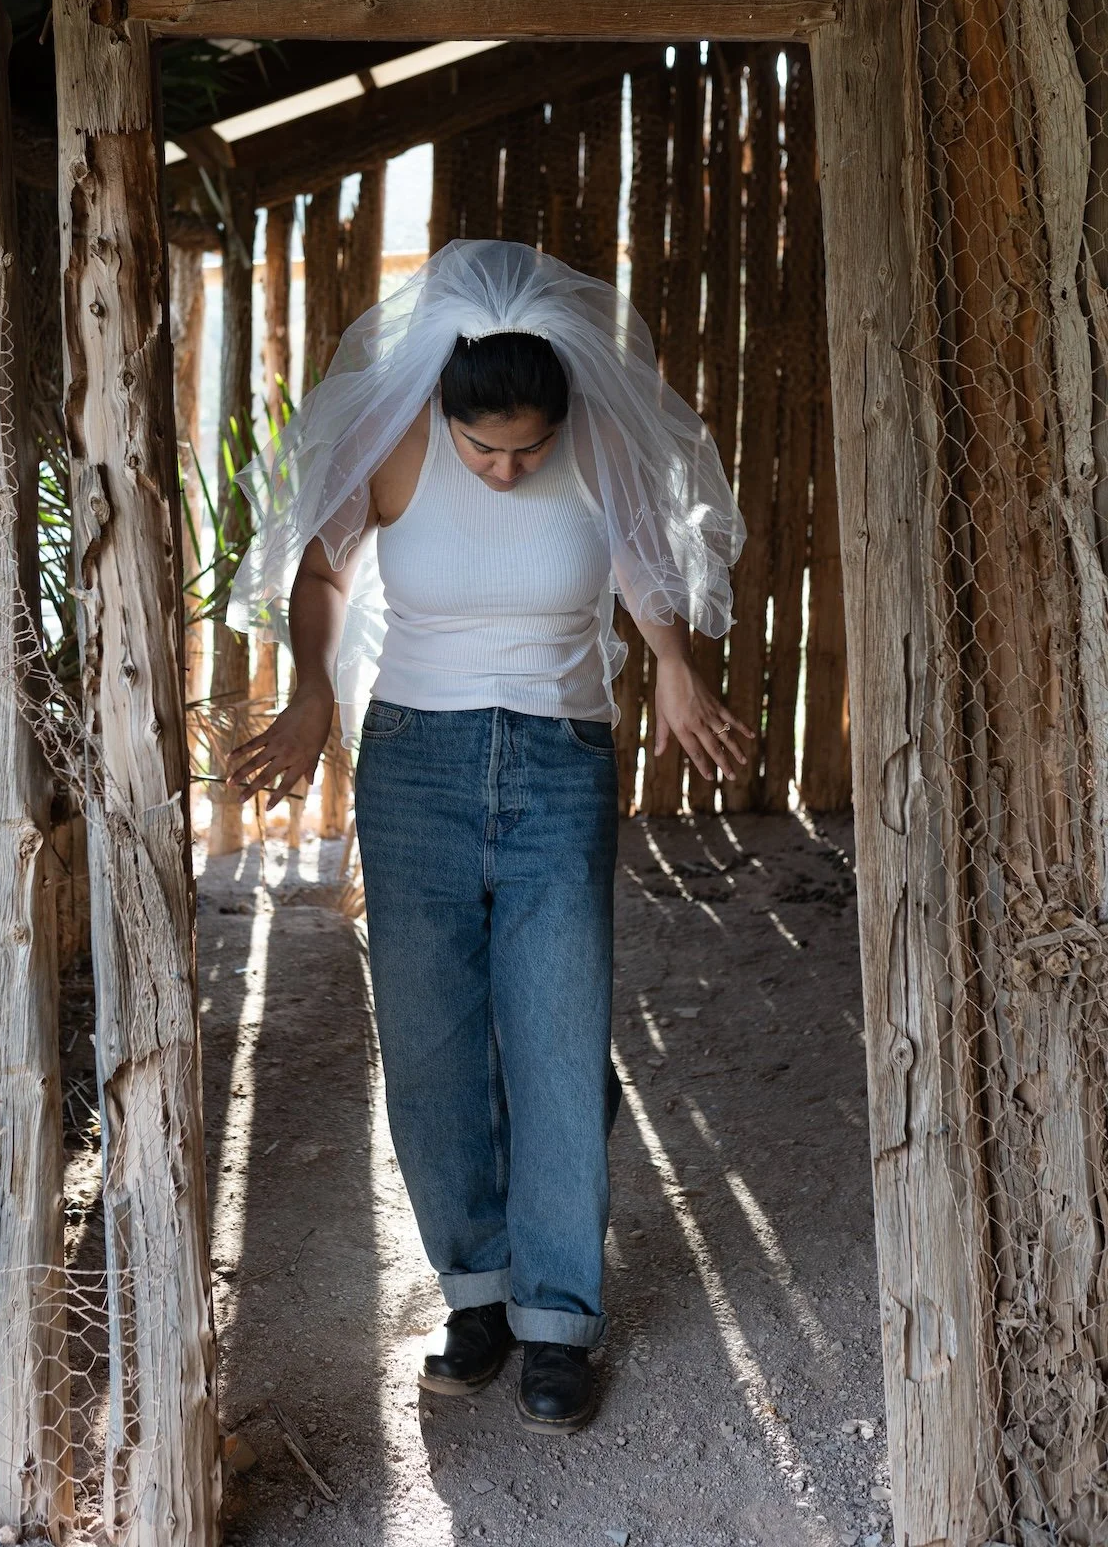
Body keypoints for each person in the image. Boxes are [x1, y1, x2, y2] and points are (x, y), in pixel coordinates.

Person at [228, 239, 749, 1433]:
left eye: (527, 449)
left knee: (557, 1039)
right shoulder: (400, 443)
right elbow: (320, 570)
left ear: (562, 415)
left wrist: (671, 666)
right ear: (447, 412)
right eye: (485, 450)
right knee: (428, 1044)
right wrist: (312, 690)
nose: (506, 471)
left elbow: (643, 577)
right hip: (415, 766)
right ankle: (477, 1293)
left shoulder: (598, 449)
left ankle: (559, 1317)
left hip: (559, 768)